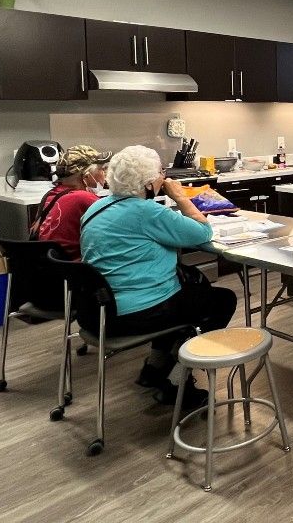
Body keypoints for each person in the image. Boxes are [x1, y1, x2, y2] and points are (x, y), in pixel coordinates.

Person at [79, 145, 236, 406]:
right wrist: (181, 197)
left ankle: (155, 367)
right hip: (137, 314)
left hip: (97, 311)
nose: (164, 177)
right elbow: (202, 232)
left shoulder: (96, 208)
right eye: (161, 173)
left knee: (182, 291)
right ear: (150, 182)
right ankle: (176, 381)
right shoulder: (146, 211)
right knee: (221, 300)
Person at [31, 145, 111, 260]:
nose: (105, 175)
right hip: (73, 268)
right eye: (102, 169)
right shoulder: (83, 197)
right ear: (86, 176)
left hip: (49, 266)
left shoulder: (51, 195)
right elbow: (117, 224)